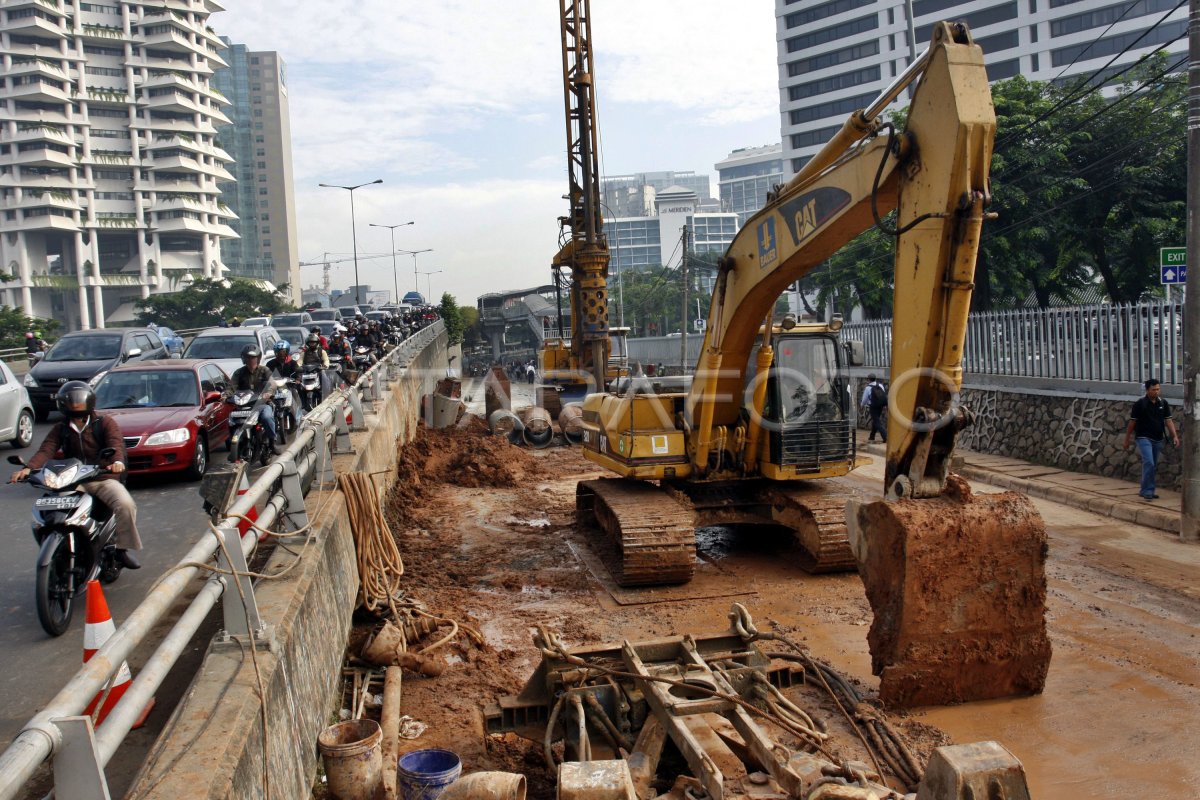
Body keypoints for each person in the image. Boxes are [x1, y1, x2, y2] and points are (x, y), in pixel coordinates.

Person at [10, 382, 142, 569]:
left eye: (79, 400)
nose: (76, 405)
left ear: (89, 402)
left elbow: (116, 444)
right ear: (63, 404)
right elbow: (46, 450)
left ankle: (121, 550)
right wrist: (29, 469)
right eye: (71, 401)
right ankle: (63, 545)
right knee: (52, 510)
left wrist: (116, 462)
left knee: (126, 504)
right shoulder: (60, 428)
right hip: (72, 480)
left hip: (101, 478)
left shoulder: (105, 423)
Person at [1124, 378, 1179, 500]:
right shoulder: (1140, 404)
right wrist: (1127, 439)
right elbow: (1132, 423)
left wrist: (1174, 436)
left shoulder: (1163, 403)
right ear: (1147, 390)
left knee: (1152, 465)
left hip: (1158, 438)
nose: (1156, 392)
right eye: (1153, 389)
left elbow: (1168, 421)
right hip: (1143, 437)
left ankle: (1147, 489)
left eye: (1158, 389)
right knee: (1149, 462)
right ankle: (1147, 491)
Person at [229, 344, 281, 453]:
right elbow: (231, 387)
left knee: (267, 417)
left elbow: (272, 384)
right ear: (243, 358)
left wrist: (268, 393)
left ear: (258, 358)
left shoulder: (264, 370)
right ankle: (233, 446)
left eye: (253, 357)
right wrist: (225, 396)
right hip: (243, 405)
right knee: (230, 420)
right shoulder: (239, 373)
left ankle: (272, 442)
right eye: (248, 357)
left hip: (261, 404)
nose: (251, 360)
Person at [860, 374, 888, 443]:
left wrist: (862, 405)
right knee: (876, 420)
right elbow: (883, 396)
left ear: (868, 379)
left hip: (873, 406)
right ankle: (872, 436)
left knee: (877, 421)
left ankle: (885, 436)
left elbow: (864, 399)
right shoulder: (880, 385)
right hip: (880, 406)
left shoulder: (868, 388)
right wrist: (884, 405)